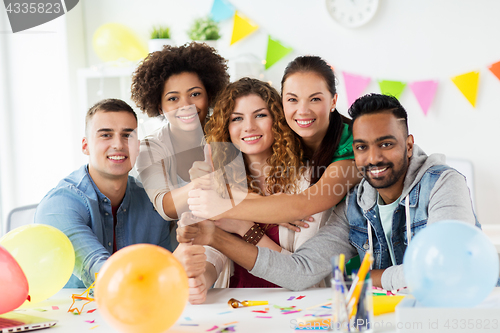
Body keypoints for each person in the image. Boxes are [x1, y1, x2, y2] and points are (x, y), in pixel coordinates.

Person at [177, 93, 478, 291]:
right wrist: (214, 236)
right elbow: (301, 272)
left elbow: (444, 271)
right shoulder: (357, 204)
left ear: (409, 145)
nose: (373, 158)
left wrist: (360, 279)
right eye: (362, 147)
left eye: (386, 143)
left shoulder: (443, 184)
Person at [187, 78, 339, 303]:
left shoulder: (308, 183)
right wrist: (202, 280)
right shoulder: (220, 183)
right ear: (226, 128)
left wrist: (244, 226)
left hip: (296, 305)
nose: (249, 127)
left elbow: (304, 272)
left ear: (277, 120)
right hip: (236, 305)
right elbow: (214, 249)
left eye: (260, 115)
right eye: (237, 118)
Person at [35, 99, 206, 288]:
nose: (118, 144)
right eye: (106, 135)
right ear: (85, 146)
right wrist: (172, 265)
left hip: (140, 311)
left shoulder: (152, 203)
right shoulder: (59, 205)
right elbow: (101, 272)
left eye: (127, 135)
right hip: (73, 314)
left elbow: (164, 283)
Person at [187, 56, 361, 226]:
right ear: (281, 104)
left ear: (333, 101)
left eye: (315, 99)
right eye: (293, 99)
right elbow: (264, 192)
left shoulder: (355, 150)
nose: (302, 111)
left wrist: (222, 206)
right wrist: (214, 180)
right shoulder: (285, 134)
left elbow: (302, 205)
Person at [130, 42, 229, 223]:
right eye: (173, 98)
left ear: (209, 96)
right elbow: (166, 207)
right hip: (187, 244)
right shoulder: (151, 147)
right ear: (160, 107)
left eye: (195, 94)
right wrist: (198, 184)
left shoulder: (228, 132)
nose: (186, 105)